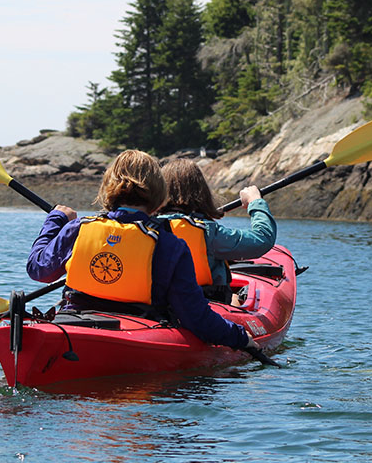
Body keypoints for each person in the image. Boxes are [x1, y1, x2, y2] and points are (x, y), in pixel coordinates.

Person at [27, 150, 256, 352]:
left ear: (108, 191)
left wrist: (56, 220)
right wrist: (239, 338)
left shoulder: (78, 228)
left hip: (73, 324)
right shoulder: (170, 245)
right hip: (139, 329)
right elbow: (194, 316)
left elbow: (39, 270)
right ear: (158, 198)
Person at [157, 158, 277, 304]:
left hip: (158, 306)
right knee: (235, 298)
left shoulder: (146, 227)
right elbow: (263, 239)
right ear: (201, 192)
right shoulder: (208, 232)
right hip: (204, 304)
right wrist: (255, 202)